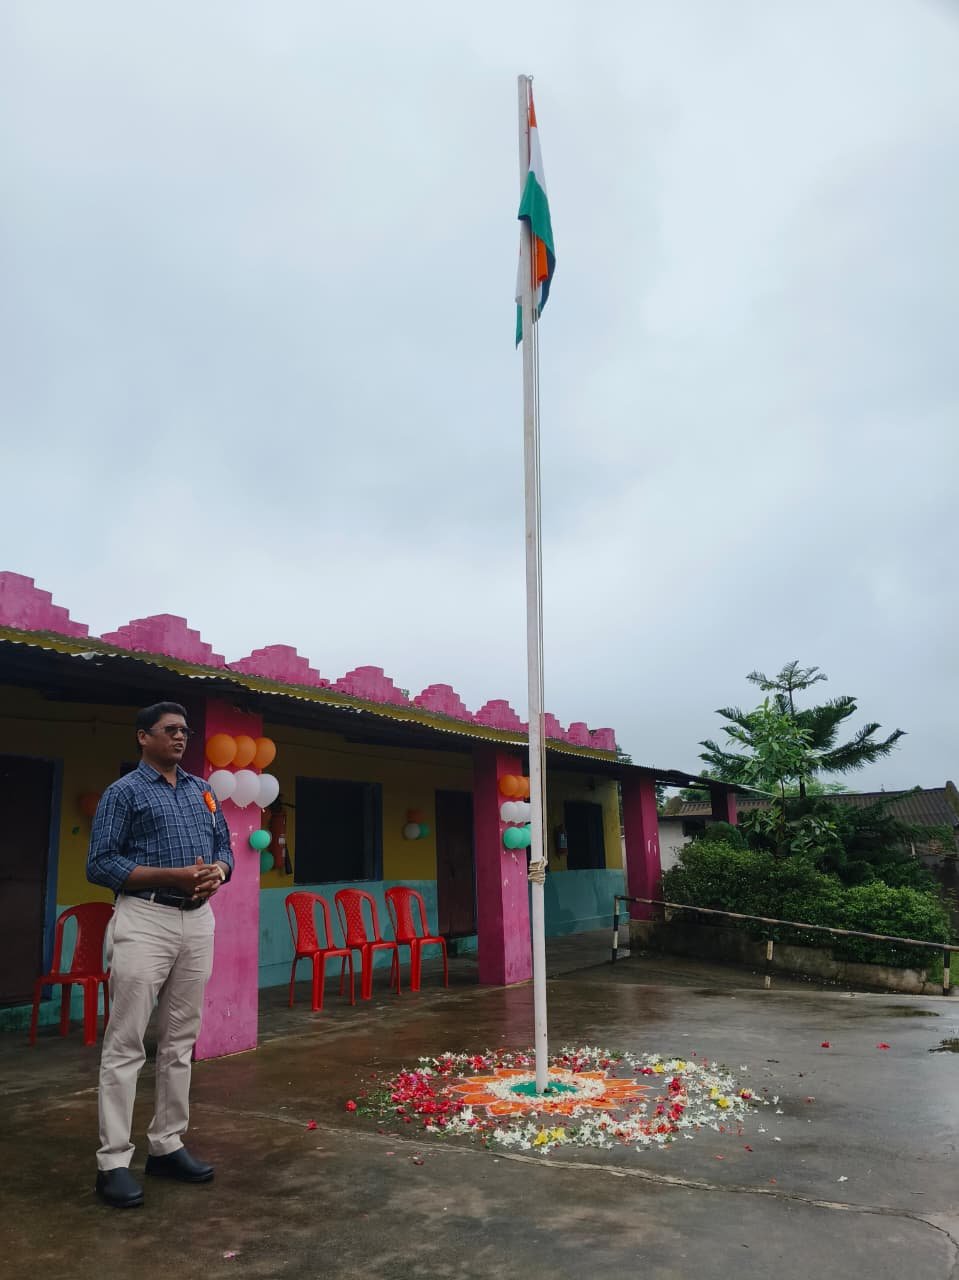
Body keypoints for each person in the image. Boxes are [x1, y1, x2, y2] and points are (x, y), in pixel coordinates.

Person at [87, 701, 233, 1209]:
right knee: (126, 1041)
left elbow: (225, 848)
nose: (180, 737)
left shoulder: (202, 791)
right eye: (169, 730)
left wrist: (218, 873)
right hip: (145, 918)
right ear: (142, 737)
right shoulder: (124, 792)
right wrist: (173, 877)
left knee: (180, 1039)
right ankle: (112, 1162)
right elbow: (100, 863)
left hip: (197, 920)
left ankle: (167, 1144)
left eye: (184, 730)